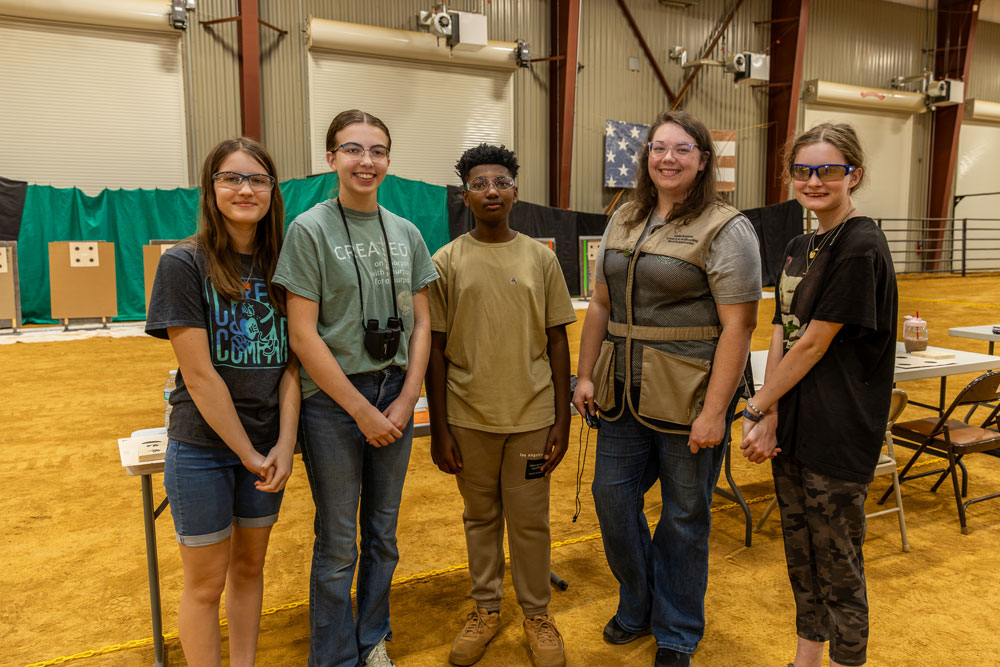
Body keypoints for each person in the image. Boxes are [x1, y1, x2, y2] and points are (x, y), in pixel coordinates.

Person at [572, 110, 761, 667]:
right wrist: (585, 374)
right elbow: (601, 302)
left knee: (683, 516)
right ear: (645, 156)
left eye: (682, 149)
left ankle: (676, 629)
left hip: (690, 394)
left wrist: (716, 411)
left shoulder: (727, 227)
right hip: (621, 391)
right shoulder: (624, 215)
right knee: (612, 499)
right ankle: (639, 602)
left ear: (703, 160)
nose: (668, 159)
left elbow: (739, 326)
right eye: (659, 148)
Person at [273, 109, 438, 667]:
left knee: (383, 536)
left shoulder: (407, 232)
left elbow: (422, 325)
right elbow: (302, 333)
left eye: (377, 150)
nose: (366, 161)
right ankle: (335, 655)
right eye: (353, 149)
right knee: (339, 543)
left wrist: (408, 395)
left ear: (388, 160)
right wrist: (360, 410)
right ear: (331, 158)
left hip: (394, 392)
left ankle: (373, 641)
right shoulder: (309, 230)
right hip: (334, 404)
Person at [740, 123, 897, 667]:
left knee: (838, 563)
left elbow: (814, 343)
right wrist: (771, 413)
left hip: (839, 427)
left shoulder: (860, 243)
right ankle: (806, 658)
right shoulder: (798, 245)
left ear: (853, 174)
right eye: (803, 170)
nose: (814, 180)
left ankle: (845, 662)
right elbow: (783, 330)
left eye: (828, 170)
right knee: (802, 556)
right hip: (796, 426)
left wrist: (755, 407)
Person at [146, 137, 300, 666]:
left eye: (257, 179)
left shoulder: (285, 263)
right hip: (204, 448)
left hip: (265, 447)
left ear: (272, 191)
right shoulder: (184, 263)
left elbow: (292, 365)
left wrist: (283, 442)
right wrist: (248, 453)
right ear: (211, 189)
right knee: (205, 584)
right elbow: (200, 374)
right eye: (231, 178)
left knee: (251, 570)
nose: (245, 189)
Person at [425, 144, 577, 667]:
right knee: (480, 517)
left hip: (532, 417)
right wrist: (440, 427)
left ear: (516, 190)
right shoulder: (445, 262)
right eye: (479, 183)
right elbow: (435, 350)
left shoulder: (542, 257)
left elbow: (558, 341)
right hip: (468, 418)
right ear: (465, 195)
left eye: (500, 182)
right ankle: (486, 608)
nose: (491, 190)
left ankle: (537, 613)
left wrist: (562, 417)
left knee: (530, 520)